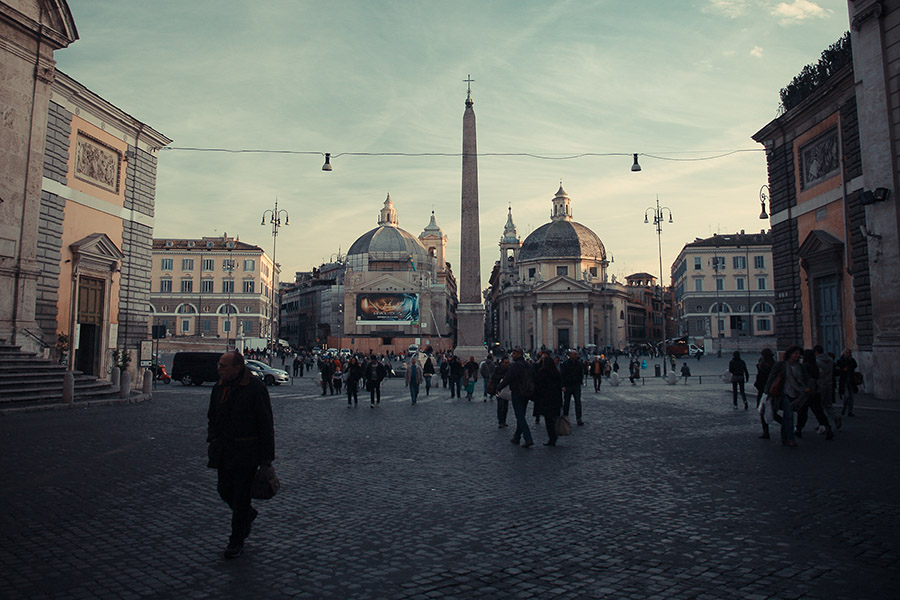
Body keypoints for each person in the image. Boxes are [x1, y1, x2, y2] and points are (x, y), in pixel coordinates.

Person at [207, 351, 275, 559]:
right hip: (224, 449)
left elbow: (266, 424)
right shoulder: (219, 387)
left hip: (246, 452)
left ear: (237, 368)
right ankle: (247, 515)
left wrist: (266, 459)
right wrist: (212, 437)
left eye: (223, 366)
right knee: (224, 490)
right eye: (219, 365)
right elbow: (212, 415)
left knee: (241, 496)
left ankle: (236, 540)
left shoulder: (255, 389)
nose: (218, 369)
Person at [765, 345, 805, 447]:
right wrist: (767, 392)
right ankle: (791, 439)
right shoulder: (781, 365)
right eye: (796, 353)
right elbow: (771, 377)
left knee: (787, 417)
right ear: (790, 354)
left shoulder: (800, 367)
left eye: (799, 354)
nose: (798, 355)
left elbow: (804, 379)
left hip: (796, 394)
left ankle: (784, 438)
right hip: (783, 393)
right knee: (789, 416)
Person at [497, 347, 534, 448]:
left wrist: (498, 387)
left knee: (520, 416)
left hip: (517, 392)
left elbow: (507, 378)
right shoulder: (528, 365)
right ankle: (517, 437)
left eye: (513, 354)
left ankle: (528, 438)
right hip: (526, 393)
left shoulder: (515, 366)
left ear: (518, 354)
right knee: (521, 415)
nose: (512, 356)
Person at [533, 352, 563, 446]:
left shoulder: (542, 372)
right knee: (555, 418)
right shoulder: (556, 373)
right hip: (556, 399)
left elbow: (538, 385)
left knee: (548, 420)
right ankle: (555, 435)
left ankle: (552, 437)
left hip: (546, 400)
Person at [754, 348, 777, 439]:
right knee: (773, 411)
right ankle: (785, 424)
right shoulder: (774, 364)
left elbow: (759, 379)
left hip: (763, 391)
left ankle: (766, 431)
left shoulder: (762, 365)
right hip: (773, 391)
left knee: (763, 411)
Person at [815, 345, 839, 430]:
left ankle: (822, 424)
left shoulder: (817, 361)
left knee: (819, 406)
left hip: (820, 385)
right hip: (829, 384)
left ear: (816, 352)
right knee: (828, 404)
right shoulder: (830, 360)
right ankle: (836, 416)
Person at [560, 350, 584, 426]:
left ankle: (579, 418)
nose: (577, 355)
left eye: (576, 354)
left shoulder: (579, 363)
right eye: (575, 354)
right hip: (568, 385)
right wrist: (563, 385)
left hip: (576, 385)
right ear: (570, 355)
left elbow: (581, 373)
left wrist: (580, 381)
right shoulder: (565, 364)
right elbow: (562, 375)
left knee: (578, 402)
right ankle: (565, 418)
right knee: (566, 403)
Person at [488, 355, 511, 427]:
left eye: (508, 362)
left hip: (506, 389)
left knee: (505, 406)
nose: (507, 364)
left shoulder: (510, 369)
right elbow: (493, 376)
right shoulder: (497, 369)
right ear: (502, 363)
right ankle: (500, 421)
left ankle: (504, 420)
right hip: (498, 389)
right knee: (500, 405)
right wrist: (502, 377)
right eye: (506, 362)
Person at [835, 348, 858, 417]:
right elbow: (837, 370)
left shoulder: (851, 360)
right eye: (847, 353)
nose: (848, 354)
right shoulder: (840, 361)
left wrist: (850, 360)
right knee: (846, 396)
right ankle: (844, 408)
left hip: (851, 381)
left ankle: (850, 411)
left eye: (849, 353)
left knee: (851, 397)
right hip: (844, 381)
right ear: (844, 353)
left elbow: (854, 365)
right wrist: (842, 369)